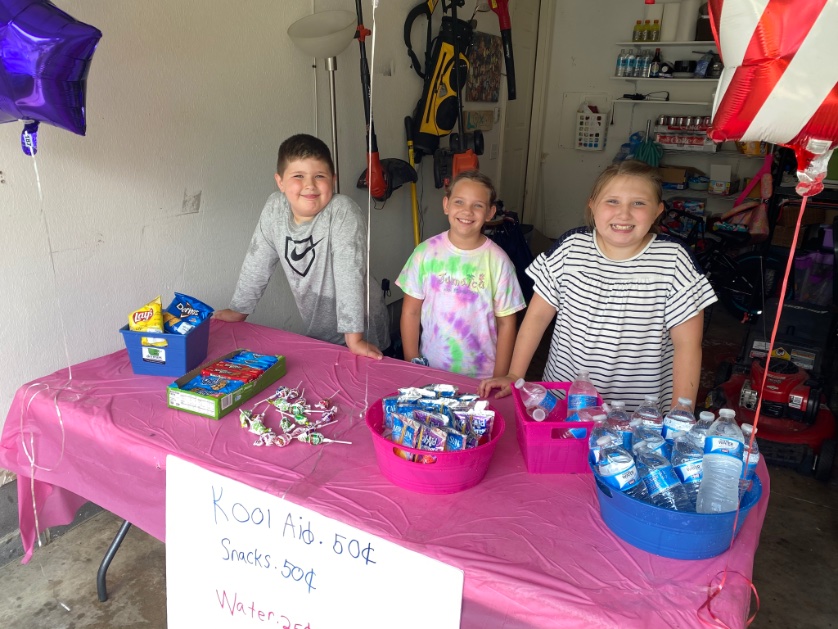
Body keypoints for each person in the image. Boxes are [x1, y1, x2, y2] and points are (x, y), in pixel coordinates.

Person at [478, 160, 717, 411]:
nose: (624, 214)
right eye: (612, 201)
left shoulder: (673, 260)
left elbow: (687, 346)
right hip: (563, 401)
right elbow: (537, 317)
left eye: (638, 203)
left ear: (658, 210)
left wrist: (681, 412)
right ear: (592, 205)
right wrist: (515, 375)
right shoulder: (570, 248)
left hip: (640, 415)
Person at [214, 134, 389, 359]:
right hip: (318, 331)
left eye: (320, 176)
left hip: (363, 331)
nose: (310, 185)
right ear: (280, 182)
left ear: (333, 180)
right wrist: (239, 310)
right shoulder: (274, 209)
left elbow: (349, 274)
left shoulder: (343, 211)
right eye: (298, 176)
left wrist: (354, 338)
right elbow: (257, 261)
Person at [396, 170, 526, 379]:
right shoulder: (425, 253)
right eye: (459, 202)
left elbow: (507, 323)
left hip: (482, 376)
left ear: (490, 212)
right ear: (446, 205)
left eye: (478, 205)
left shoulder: (499, 261)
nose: (467, 211)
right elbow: (410, 312)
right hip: (431, 371)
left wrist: (501, 376)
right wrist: (413, 363)